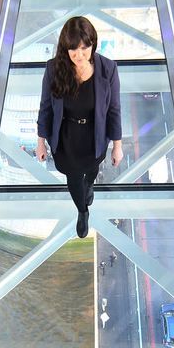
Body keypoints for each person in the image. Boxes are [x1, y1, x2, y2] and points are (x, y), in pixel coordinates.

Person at [36, 16, 123, 238]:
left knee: (93, 168)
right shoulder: (54, 69)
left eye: (85, 48)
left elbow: (114, 109)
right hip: (66, 139)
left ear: (93, 44)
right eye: (73, 49)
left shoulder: (108, 70)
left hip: (95, 135)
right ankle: (82, 211)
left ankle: (90, 184)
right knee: (73, 180)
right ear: (65, 48)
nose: (79, 55)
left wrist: (117, 145)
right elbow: (45, 107)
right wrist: (41, 142)